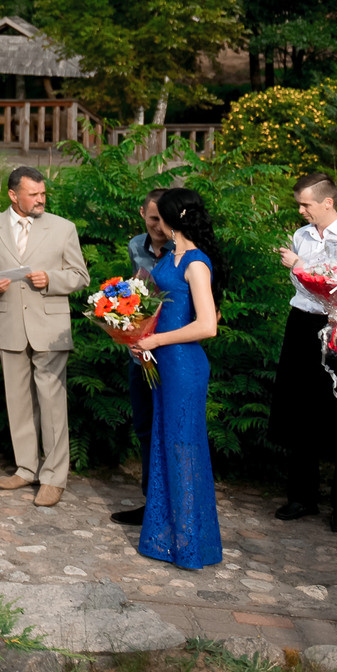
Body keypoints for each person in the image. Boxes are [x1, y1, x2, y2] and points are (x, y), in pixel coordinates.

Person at [0, 166, 88, 506]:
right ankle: (26, 469)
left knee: (52, 403)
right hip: (9, 323)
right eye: (33, 194)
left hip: (50, 329)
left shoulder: (63, 228)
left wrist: (51, 279)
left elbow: (80, 276)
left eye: (42, 193)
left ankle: (54, 477)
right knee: (18, 400)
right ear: (13, 195)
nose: (41, 199)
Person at [273, 173, 337, 534]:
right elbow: (301, 287)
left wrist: (301, 267)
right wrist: (300, 271)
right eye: (299, 203)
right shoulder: (301, 235)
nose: (300, 210)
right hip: (301, 321)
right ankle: (302, 494)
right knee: (298, 406)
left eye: (306, 204)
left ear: (327, 202)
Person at [134, 187, 223, 570]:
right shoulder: (173, 255)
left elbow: (207, 325)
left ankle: (190, 544)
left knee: (184, 447)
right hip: (161, 360)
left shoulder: (197, 263)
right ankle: (165, 536)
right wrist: (135, 335)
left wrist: (156, 339)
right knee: (163, 442)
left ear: (172, 218)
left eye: (160, 216)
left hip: (184, 364)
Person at [111, 188, 173, 526]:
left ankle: (171, 502)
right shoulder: (137, 246)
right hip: (141, 354)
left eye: (163, 221)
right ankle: (152, 502)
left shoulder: (185, 251)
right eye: (152, 219)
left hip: (171, 350)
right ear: (142, 214)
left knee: (169, 428)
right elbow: (138, 294)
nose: (158, 227)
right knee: (146, 428)